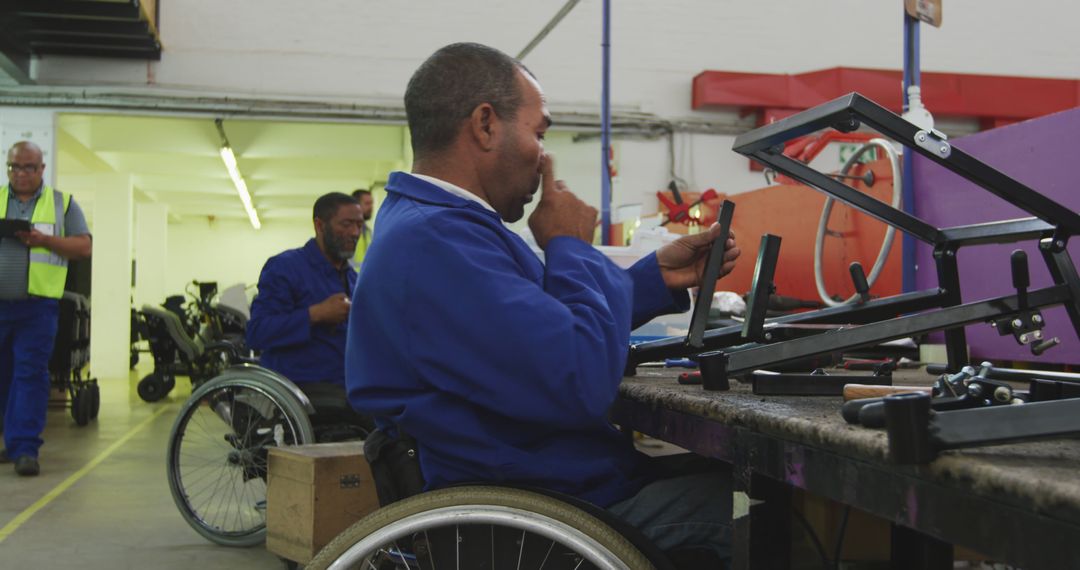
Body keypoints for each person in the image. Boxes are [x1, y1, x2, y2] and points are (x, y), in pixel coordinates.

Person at [346, 43, 741, 560]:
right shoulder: (437, 242)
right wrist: (568, 245)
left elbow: (543, 318)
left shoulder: (441, 226)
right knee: (766, 511)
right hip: (540, 515)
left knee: (725, 479)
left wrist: (653, 280)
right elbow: (578, 376)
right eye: (539, 133)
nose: (544, 156)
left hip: (544, 486)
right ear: (485, 125)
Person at [0, 141, 92, 477]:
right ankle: (11, 442)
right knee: (5, 376)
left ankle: (25, 449)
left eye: (27, 167)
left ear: (41, 169)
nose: (20, 173)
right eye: (14, 167)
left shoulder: (62, 204)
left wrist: (45, 241)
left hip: (37, 309)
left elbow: (83, 246)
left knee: (29, 374)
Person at [246, 192, 373, 434]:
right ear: (319, 225)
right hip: (303, 387)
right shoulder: (285, 268)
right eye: (346, 224)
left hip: (347, 383)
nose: (355, 233)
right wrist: (315, 314)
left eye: (359, 225)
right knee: (379, 425)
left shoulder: (353, 279)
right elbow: (257, 332)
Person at [349, 188, 374, 271]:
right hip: (349, 281)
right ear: (356, 205)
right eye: (367, 204)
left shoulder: (369, 232)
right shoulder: (346, 231)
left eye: (371, 203)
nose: (371, 207)